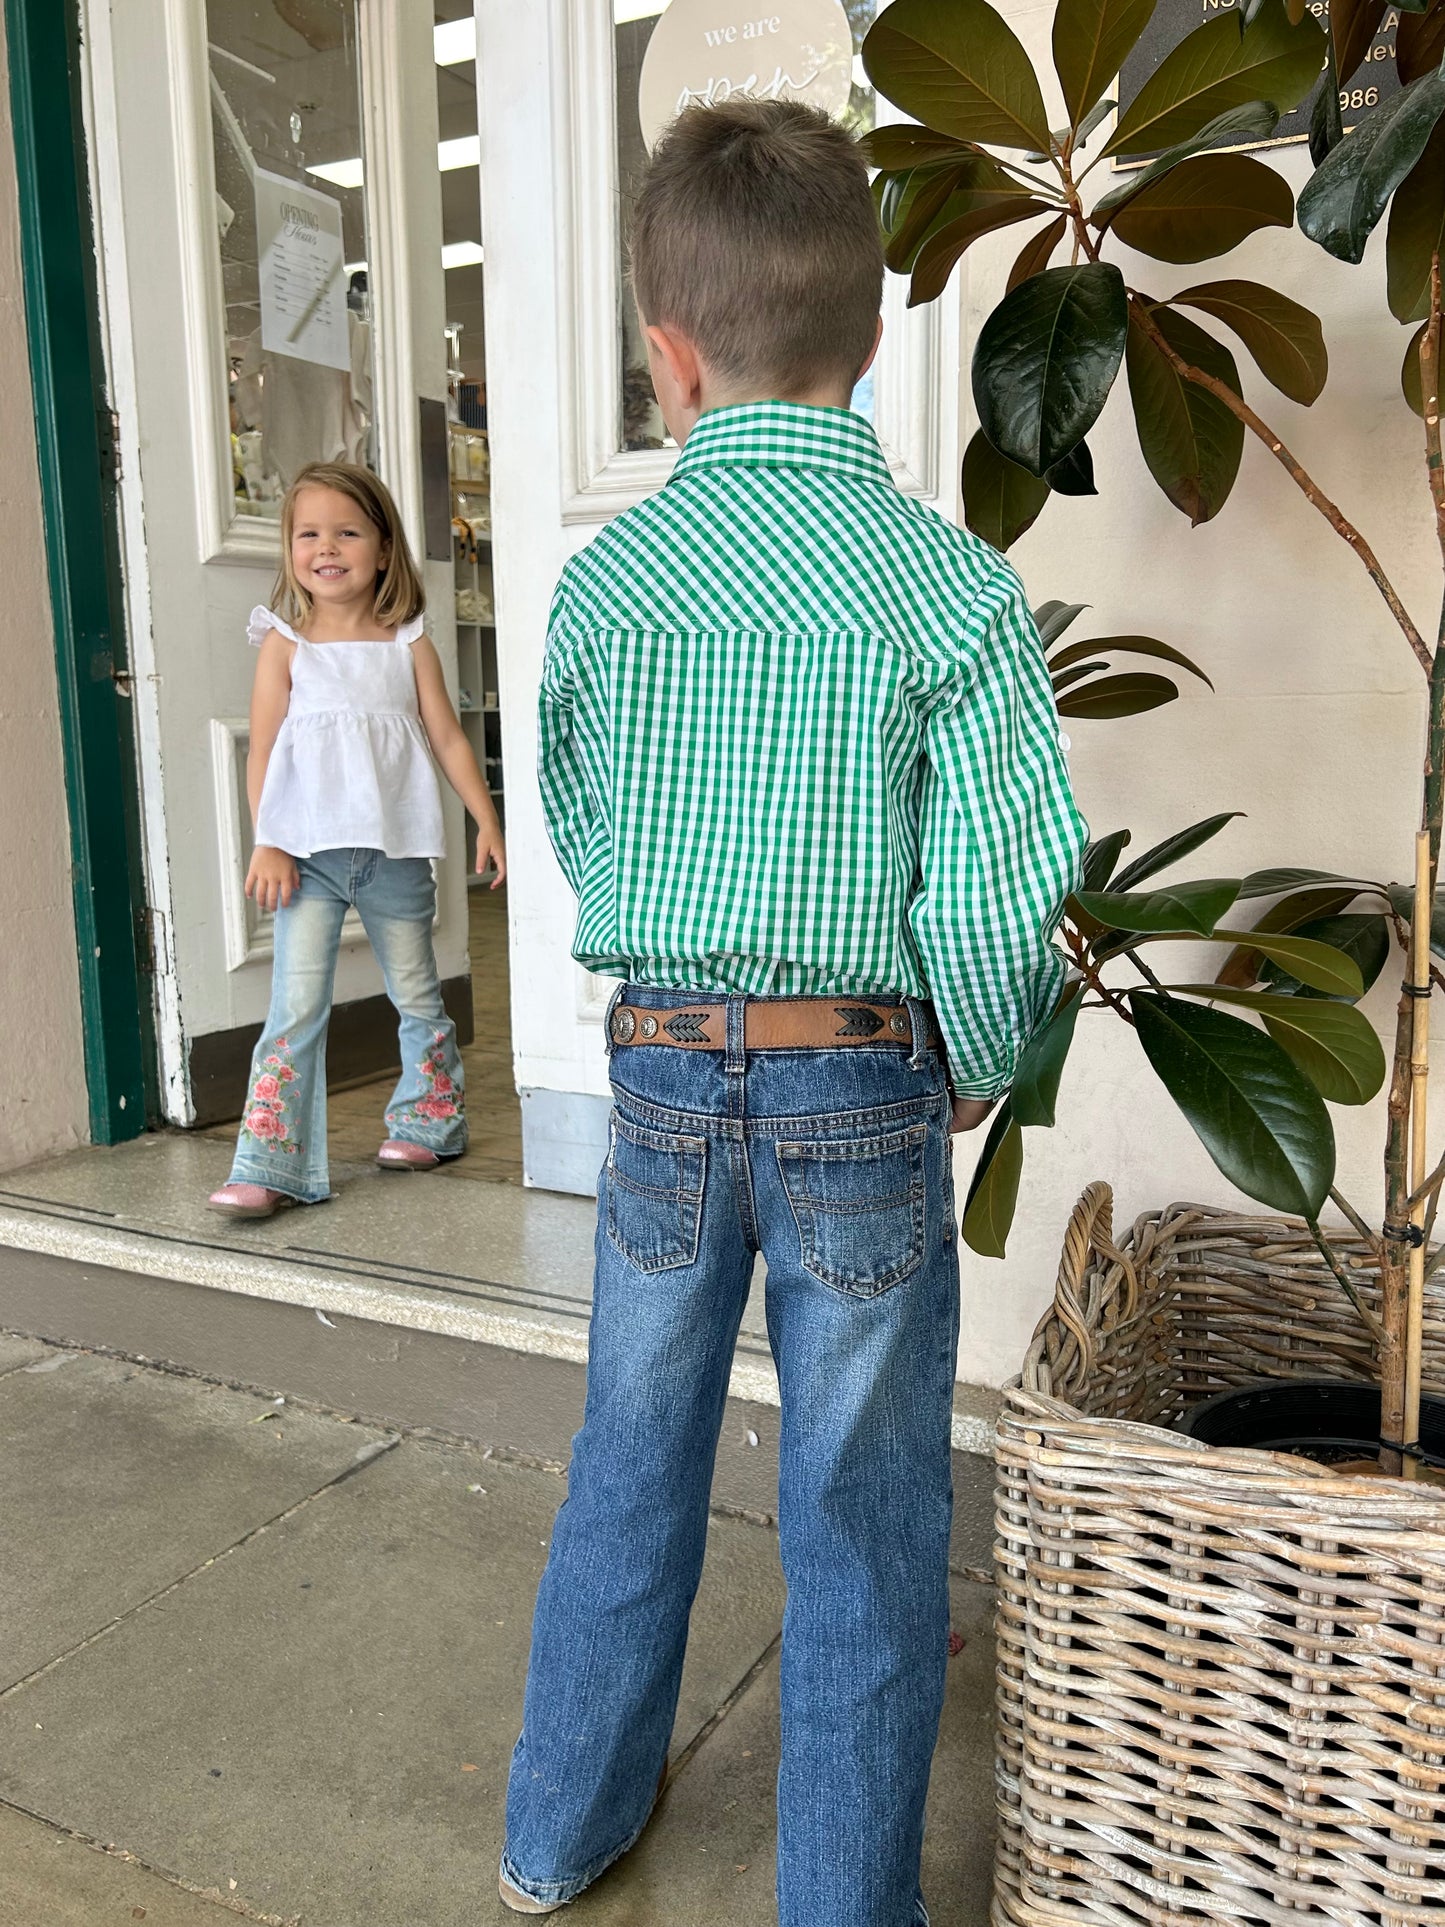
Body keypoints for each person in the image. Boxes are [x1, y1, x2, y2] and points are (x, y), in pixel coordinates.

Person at [499, 101, 1085, 1926]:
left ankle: (553, 1830)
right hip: (861, 1082)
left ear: (667, 358)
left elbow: (578, 816)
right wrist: (974, 1057)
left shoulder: (607, 584)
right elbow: (1002, 885)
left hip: (666, 1073)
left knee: (630, 1450)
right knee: (865, 1510)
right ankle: (842, 1907)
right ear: (881, 331)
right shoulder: (952, 589)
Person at [207, 462, 506, 1221]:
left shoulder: (408, 642)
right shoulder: (283, 643)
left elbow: (446, 737)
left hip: (394, 853)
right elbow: (263, 751)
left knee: (416, 995)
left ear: (382, 546)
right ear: (290, 548)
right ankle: (270, 1162)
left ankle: (430, 1121)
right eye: (309, 533)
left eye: (347, 531)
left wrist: (486, 819)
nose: (326, 547)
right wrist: (267, 841)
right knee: (295, 1006)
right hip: (304, 857)